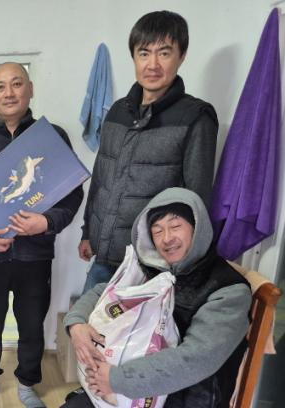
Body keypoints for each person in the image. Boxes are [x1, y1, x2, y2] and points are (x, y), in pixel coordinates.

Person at [47, 188, 252, 408]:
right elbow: (102, 291)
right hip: (133, 389)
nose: (166, 238)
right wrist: (76, 324)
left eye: (176, 226)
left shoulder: (228, 290)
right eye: (157, 230)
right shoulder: (152, 268)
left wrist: (116, 379)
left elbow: (194, 361)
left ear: (198, 228)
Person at [0, 62, 84, 408]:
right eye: (0, 87)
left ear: (30, 89)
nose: (9, 93)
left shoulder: (50, 138)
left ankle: (27, 384)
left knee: (31, 325)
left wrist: (46, 222)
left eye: (16, 84)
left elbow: (72, 193)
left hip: (34, 258)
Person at [79, 10, 219, 292]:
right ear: (134, 56)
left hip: (153, 267)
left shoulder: (195, 117)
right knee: (87, 320)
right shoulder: (117, 111)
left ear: (182, 56)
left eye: (164, 53)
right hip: (104, 259)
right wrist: (87, 232)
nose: (152, 64)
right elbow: (101, 179)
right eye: (144, 53)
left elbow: (196, 201)